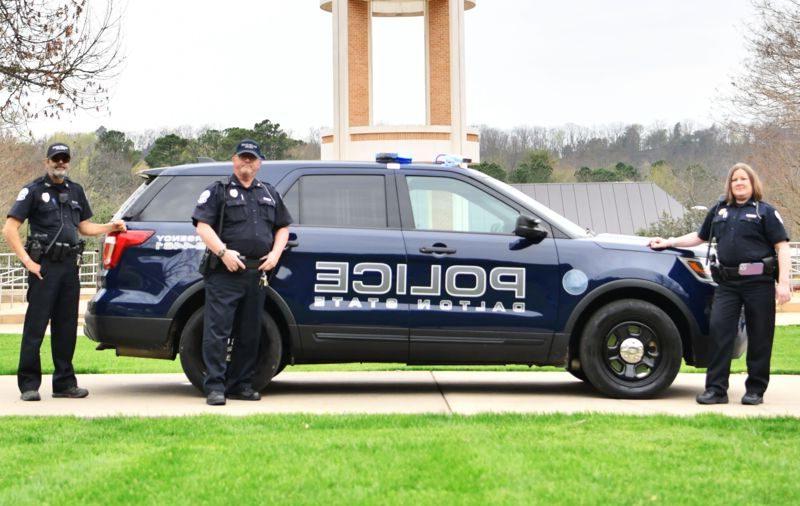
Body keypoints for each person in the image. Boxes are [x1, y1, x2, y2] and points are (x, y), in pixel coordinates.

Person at [649, 162, 791, 405]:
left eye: (743, 179)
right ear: (730, 185)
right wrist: (668, 241)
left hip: (759, 282)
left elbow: (782, 246)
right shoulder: (719, 210)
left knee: (760, 337)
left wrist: (784, 283)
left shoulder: (764, 212)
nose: (739, 183)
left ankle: (755, 390)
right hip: (727, 284)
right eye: (734, 180)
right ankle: (716, 390)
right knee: (719, 333)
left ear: (752, 183)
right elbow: (699, 236)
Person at [3, 143, 127, 401]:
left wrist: (110, 227)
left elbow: (84, 227)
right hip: (44, 269)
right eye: (55, 159)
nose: (60, 163)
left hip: (70, 267)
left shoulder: (76, 191)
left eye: (64, 159)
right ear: (46, 161)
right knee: (35, 327)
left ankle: (64, 384)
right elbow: (10, 229)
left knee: (66, 327)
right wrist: (28, 262)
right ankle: (29, 385)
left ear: (68, 162)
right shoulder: (33, 190)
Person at [192, 139, 292, 406]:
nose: (247, 162)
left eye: (252, 158)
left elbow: (283, 227)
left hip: (256, 273)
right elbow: (202, 225)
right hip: (225, 272)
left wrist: (275, 255)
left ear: (259, 163)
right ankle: (214, 386)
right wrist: (223, 252)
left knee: (250, 332)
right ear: (234, 160)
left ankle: (240, 384)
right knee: (217, 331)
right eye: (243, 157)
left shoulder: (269, 193)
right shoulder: (219, 191)